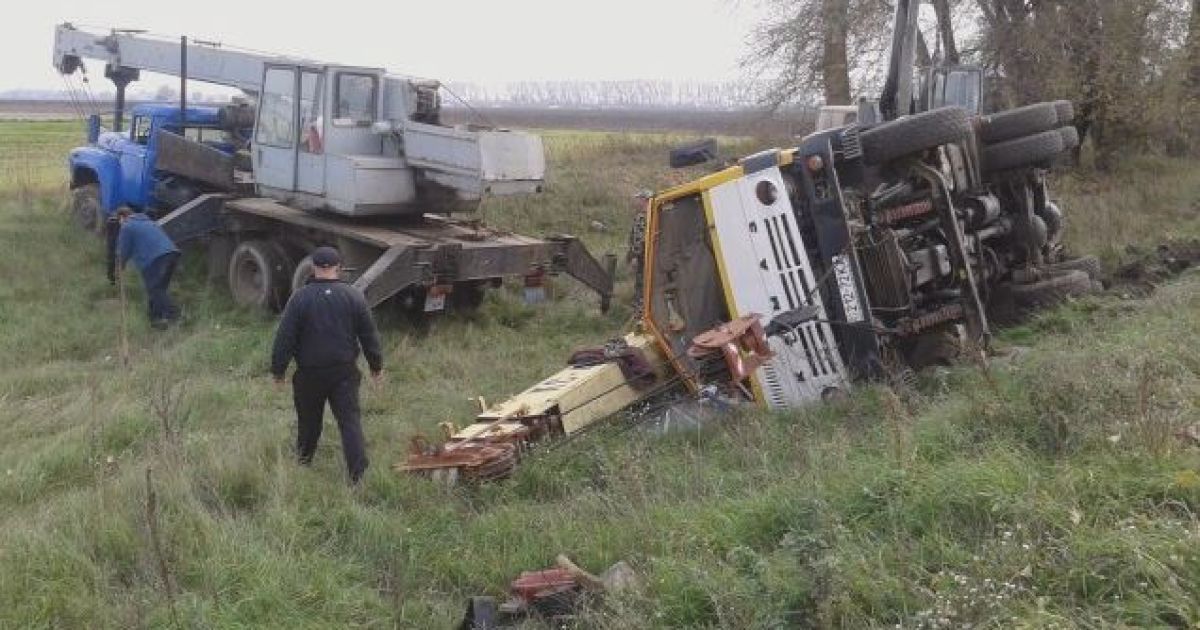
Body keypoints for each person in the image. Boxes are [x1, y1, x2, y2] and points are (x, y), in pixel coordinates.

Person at [270, 246, 383, 485]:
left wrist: (278, 371)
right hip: (344, 372)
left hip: (309, 374)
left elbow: (285, 338)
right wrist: (376, 365)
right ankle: (358, 474)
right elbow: (369, 335)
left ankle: (303, 462)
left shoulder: (299, 298)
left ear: (313, 268)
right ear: (338, 268)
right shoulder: (354, 296)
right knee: (349, 422)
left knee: (309, 421)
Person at [114, 209, 181, 329]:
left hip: (154, 259)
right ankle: (155, 319)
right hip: (172, 254)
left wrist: (119, 269)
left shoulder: (127, 226)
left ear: (122, 217)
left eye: (119, 221)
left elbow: (123, 251)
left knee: (155, 289)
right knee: (157, 290)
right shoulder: (149, 222)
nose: (119, 224)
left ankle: (174, 316)